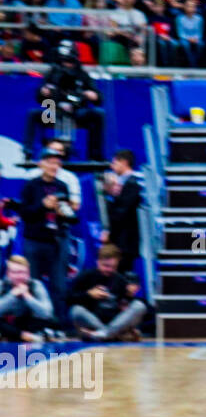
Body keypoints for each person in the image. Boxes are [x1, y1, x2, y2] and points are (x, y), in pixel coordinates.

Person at [19, 147, 78, 328]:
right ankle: (33, 325)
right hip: (34, 241)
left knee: (58, 285)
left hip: (56, 241)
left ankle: (57, 325)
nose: (54, 165)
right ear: (41, 164)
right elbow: (25, 214)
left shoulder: (62, 186)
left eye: (57, 162)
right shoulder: (30, 186)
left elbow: (72, 218)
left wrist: (63, 213)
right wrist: (43, 206)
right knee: (33, 283)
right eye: (50, 161)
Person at [23, 39, 106, 161]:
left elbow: (98, 98)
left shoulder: (82, 74)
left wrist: (92, 95)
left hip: (77, 113)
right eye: (65, 61)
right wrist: (43, 92)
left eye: (70, 61)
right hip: (53, 112)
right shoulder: (53, 73)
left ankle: (95, 156)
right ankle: (28, 152)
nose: (67, 64)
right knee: (33, 114)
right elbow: (39, 97)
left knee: (98, 114)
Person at [68, 244, 147, 341]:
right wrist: (88, 295)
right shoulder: (86, 276)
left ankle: (103, 335)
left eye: (113, 267)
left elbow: (129, 307)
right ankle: (110, 335)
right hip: (94, 322)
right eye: (106, 266)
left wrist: (129, 296)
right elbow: (68, 298)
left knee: (139, 306)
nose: (109, 270)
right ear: (98, 262)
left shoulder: (120, 280)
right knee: (76, 310)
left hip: (114, 323)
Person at [103, 149, 143, 274]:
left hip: (125, 240)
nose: (111, 166)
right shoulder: (124, 183)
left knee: (122, 274)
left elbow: (121, 212)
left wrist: (109, 232)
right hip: (121, 240)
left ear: (124, 162)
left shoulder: (133, 183)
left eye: (114, 163)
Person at [0, 255, 57, 342]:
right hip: (8, 325)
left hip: (28, 323)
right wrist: (12, 295)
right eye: (15, 272)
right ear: (8, 273)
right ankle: (23, 335)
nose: (19, 276)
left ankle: (25, 335)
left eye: (22, 272)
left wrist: (27, 296)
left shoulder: (35, 285)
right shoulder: (2, 285)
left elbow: (47, 313)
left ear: (28, 273)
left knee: (54, 321)